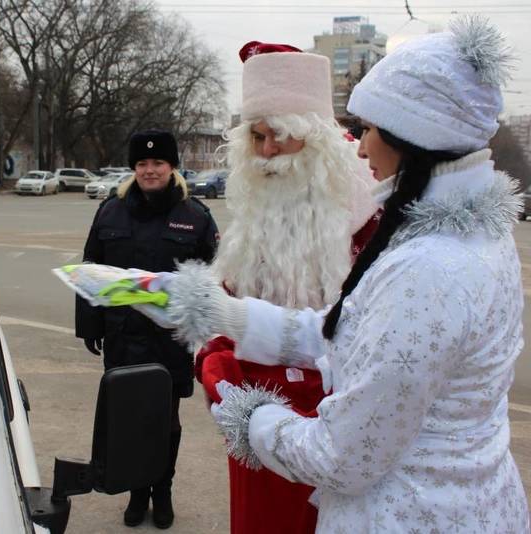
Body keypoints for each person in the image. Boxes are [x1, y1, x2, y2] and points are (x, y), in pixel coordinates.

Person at [160, 15, 529, 532]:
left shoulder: (422, 262)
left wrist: (248, 415)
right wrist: (221, 316)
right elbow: (347, 328)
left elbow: (343, 456)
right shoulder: (448, 235)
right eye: (257, 136)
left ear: (414, 137)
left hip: (401, 503)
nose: (357, 145)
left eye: (370, 130)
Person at [195, 41, 380, 534]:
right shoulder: (255, 206)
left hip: (333, 424)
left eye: (280, 134)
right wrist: (210, 353)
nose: (268, 151)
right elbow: (225, 301)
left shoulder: (369, 218)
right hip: (255, 416)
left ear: (315, 138)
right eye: (256, 137)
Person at [75, 129, 219, 529]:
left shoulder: (196, 217)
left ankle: (163, 490)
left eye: (157, 163)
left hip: (170, 339)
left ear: (172, 167)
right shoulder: (111, 211)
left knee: (166, 421)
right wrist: (90, 324)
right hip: (122, 336)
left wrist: (206, 331)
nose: (149, 170)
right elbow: (91, 267)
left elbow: (215, 279)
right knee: (129, 417)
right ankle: (138, 493)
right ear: (133, 168)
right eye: (142, 164)